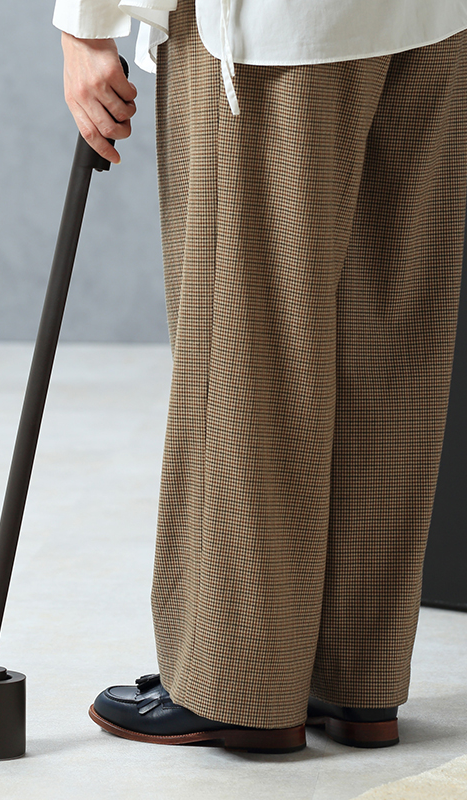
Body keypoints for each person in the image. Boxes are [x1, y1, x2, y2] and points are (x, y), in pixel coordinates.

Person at [53, 0, 467, 753]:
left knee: (246, 342)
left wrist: (85, 21)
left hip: (271, 30)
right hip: (431, 19)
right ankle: (356, 675)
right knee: (386, 341)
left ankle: (238, 684)